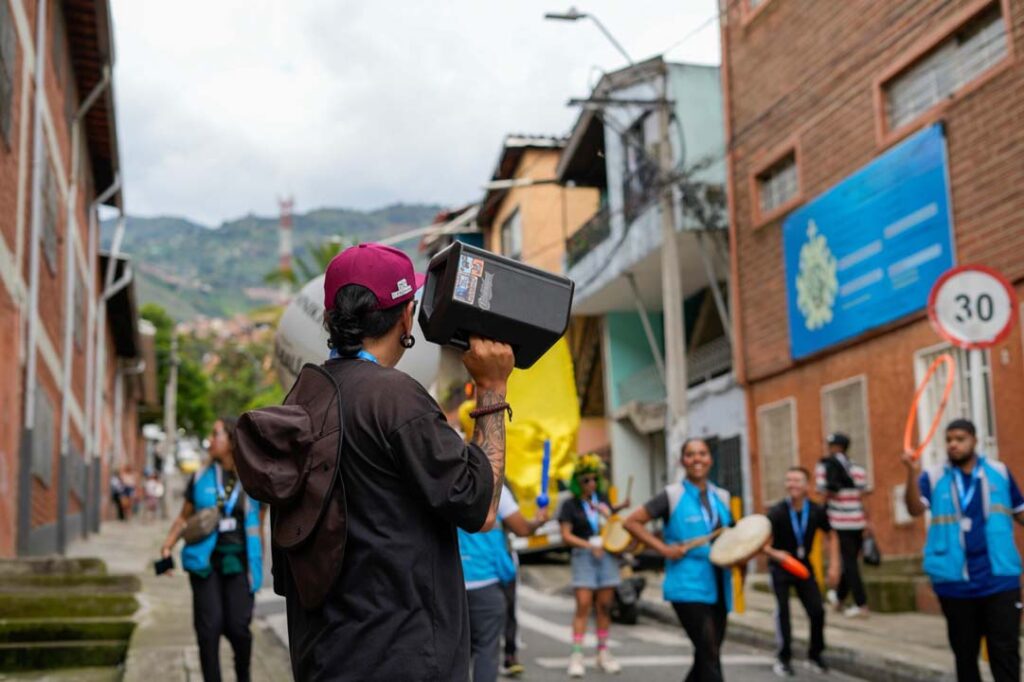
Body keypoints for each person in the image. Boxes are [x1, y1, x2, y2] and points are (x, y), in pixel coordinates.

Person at [234, 243, 515, 681]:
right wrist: (493, 388)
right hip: (404, 661)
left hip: (325, 658)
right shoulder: (396, 397)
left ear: (330, 319)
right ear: (406, 317)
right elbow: (482, 510)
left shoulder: (304, 396)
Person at [902, 418, 1024, 682]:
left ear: (974, 441)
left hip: (999, 579)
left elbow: (1019, 511)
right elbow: (914, 508)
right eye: (948, 440)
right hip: (954, 581)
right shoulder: (932, 477)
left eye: (959, 439)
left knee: (1006, 653)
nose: (953, 445)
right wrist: (911, 472)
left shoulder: (999, 472)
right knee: (965, 655)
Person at [160, 418, 265, 682]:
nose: (211, 439)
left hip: (239, 562)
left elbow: (259, 525)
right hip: (205, 563)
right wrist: (167, 545)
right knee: (209, 629)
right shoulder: (200, 476)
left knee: (239, 627)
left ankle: (244, 676)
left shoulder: (253, 478)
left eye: (216, 434)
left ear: (232, 440)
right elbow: (184, 517)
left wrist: (260, 561)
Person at [624, 438, 733, 682]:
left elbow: (732, 535)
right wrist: (663, 548)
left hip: (719, 584)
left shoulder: (722, 497)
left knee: (706, 656)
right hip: (687, 585)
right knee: (710, 654)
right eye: (691, 454)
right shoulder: (671, 495)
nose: (697, 459)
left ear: (710, 459)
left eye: (702, 453)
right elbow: (631, 522)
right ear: (682, 461)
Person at [458, 484, 548, 682]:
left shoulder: (445, 478)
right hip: (486, 581)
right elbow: (522, 528)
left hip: (452, 584)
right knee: (486, 651)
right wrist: (538, 521)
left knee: (455, 654)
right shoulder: (493, 485)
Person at [763, 466, 840, 676]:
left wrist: (834, 565)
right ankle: (783, 657)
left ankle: (815, 655)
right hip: (780, 567)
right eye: (789, 480)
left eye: (797, 480)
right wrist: (775, 553)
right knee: (783, 612)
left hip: (804, 567)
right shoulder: (777, 511)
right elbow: (760, 542)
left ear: (807, 485)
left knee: (817, 610)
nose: (792, 485)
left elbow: (831, 535)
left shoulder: (816, 510)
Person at [559, 453, 629, 678]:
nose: (590, 483)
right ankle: (577, 655)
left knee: (605, 605)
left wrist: (612, 510)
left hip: (607, 555)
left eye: (594, 479)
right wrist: (589, 545)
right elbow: (566, 536)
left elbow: (612, 523)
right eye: (585, 480)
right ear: (577, 482)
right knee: (583, 604)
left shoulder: (602, 499)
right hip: (583, 555)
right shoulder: (570, 504)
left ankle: (602, 652)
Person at [815, 432, 871, 617]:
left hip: (839, 520)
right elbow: (862, 494)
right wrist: (867, 520)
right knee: (851, 560)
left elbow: (823, 491)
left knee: (849, 562)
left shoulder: (825, 466)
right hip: (857, 519)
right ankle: (839, 599)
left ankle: (861, 603)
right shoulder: (858, 469)